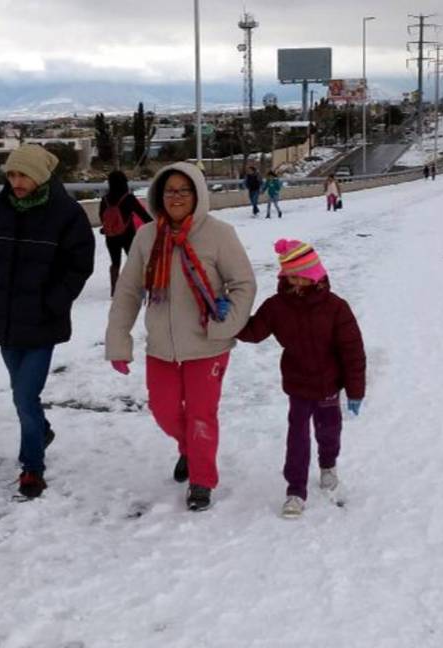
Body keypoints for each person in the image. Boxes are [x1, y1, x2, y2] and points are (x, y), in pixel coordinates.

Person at [105, 162, 256, 512]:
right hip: (161, 346)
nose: (175, 197)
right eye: (169, 190)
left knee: (202, 414)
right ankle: (189, 448)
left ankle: (202, 479)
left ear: (197, 195)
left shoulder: (219, 234)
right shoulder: (146, 237)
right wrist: (118, 341)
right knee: (163, 410)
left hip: (208, 346)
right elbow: (129, 290)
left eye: (183, 190)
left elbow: (243, 284)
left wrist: (224, 325)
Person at [0, 144, 96, 499]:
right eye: (11, 174)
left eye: (23, 174)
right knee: (22, 395)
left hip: (43, 322)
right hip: (3, 322)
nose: (16, 181)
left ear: (41, 175)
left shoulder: (66, 214)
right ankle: (41, 429)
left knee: (25, 396)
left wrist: (54, 302)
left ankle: (32, 467)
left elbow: (80, 265)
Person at [236, 239, 366, 519]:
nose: (293, 281)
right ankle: (295, 490)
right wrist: (230, 317)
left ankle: (328, 464)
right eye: (288, 276)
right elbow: (254, 332)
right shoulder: (276, 306)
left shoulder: (335, 307)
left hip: (329, 384)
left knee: (329, 431)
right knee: (297, 437)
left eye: (299, 276)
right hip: (297, 384)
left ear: (314, 275)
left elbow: (353, 350)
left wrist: (355, 391)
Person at [99, 169, 153, 296]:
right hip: (128, 235)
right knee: (133, 261)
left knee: (115, 262)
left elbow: (102, 217)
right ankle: (138, 287)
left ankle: (114, 290)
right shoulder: (128, 198)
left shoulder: (105, 199)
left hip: (111, 236)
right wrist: (155, 226)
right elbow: (144, 216)